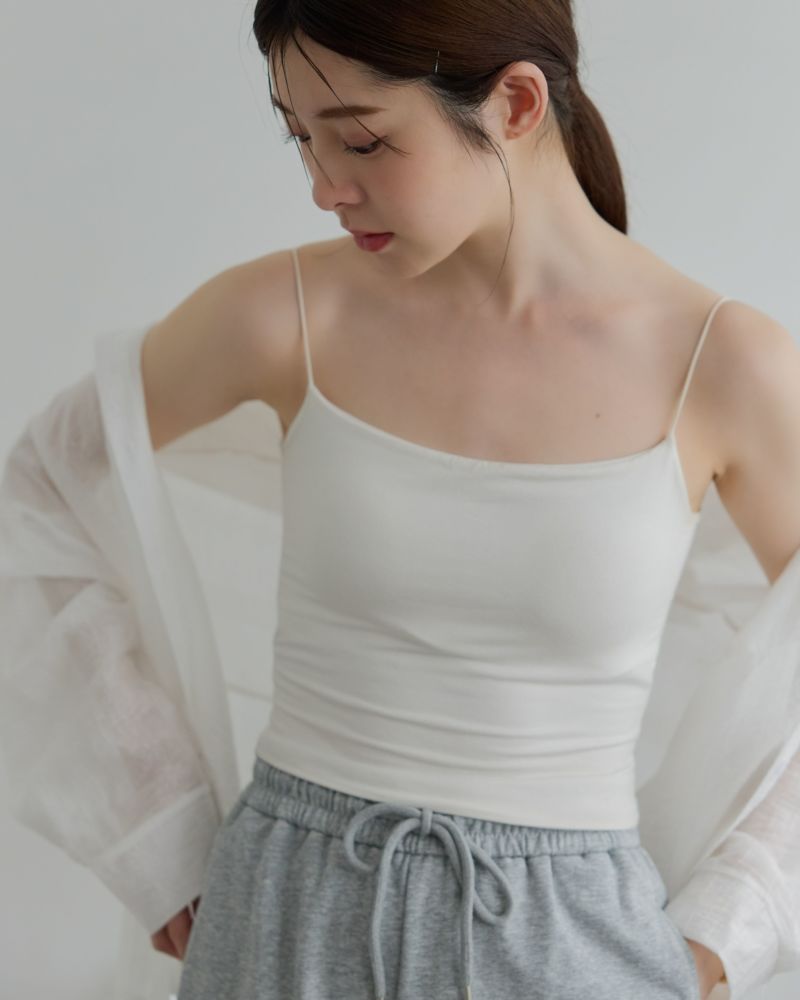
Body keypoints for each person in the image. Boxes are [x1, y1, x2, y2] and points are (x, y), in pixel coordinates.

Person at [2, 3, 799, 1000]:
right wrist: (151, 823)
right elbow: (37, 489)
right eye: (300, 138)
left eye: (362, 141)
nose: (324, 187)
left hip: (573, 942)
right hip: (283, 916)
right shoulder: (287, 314)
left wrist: (729, 923)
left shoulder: (724, 367)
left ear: (514, 104)